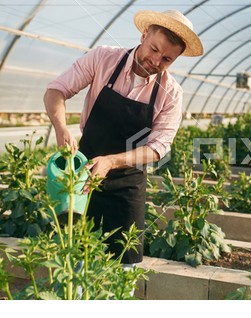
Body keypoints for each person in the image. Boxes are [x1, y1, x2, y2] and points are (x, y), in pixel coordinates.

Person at [44, 9, 203, 266]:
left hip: (128, 184)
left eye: (166, 59)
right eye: (153, 49)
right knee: (75, 260)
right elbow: (56, 90)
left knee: (124, 267)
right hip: (84, 175)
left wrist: (110, 161)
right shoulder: (104, 58)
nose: (156, 61)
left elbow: (157, 148)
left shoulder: (172, 93)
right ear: (143, 35)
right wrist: (61, 127)